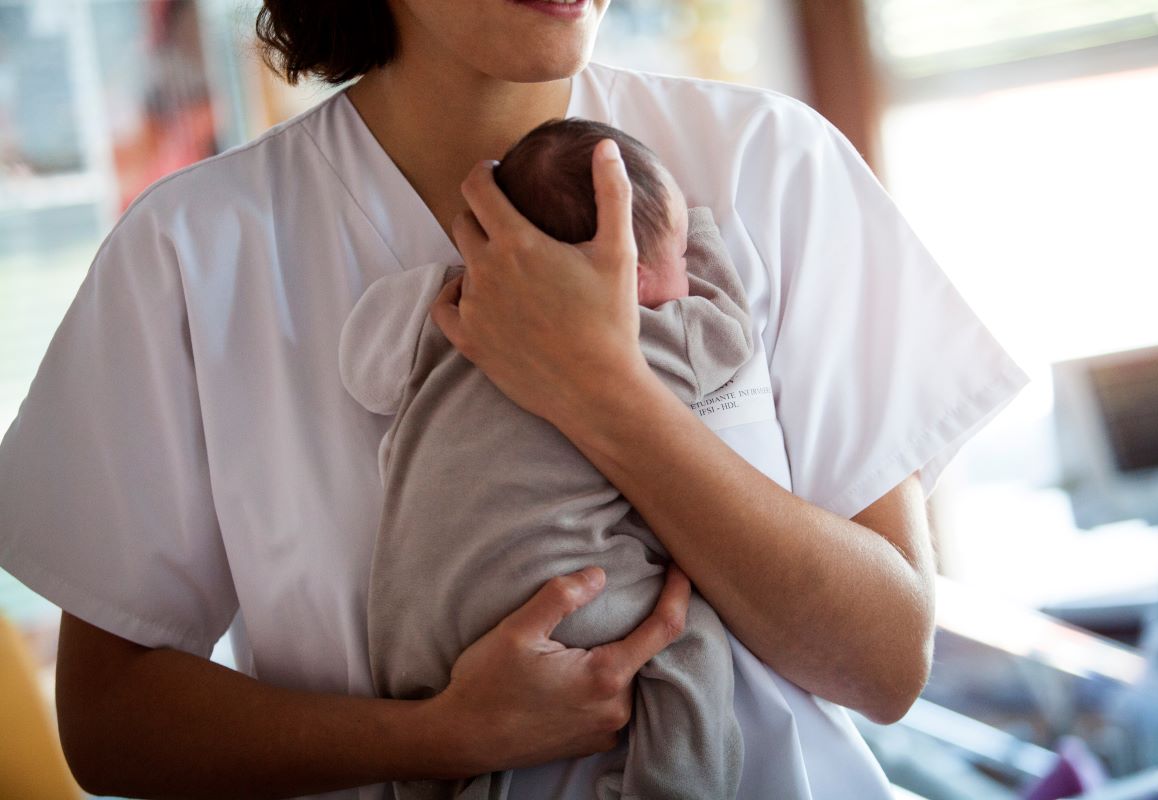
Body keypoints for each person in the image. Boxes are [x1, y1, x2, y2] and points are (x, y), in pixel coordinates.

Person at [0, 1, 1030, 798]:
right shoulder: (194, 253)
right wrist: (446, 735)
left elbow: (889, 660)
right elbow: (109, 720)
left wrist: (607, 393)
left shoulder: (770, 164)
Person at [344, 118, 751, 800]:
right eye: (678, 259)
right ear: (643, 277)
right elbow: (731, 335)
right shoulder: (652, 334)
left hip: (412, 625)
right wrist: (697, 234)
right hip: (560, 600)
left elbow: (363, 372)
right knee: (690, 636)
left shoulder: (456, 313)